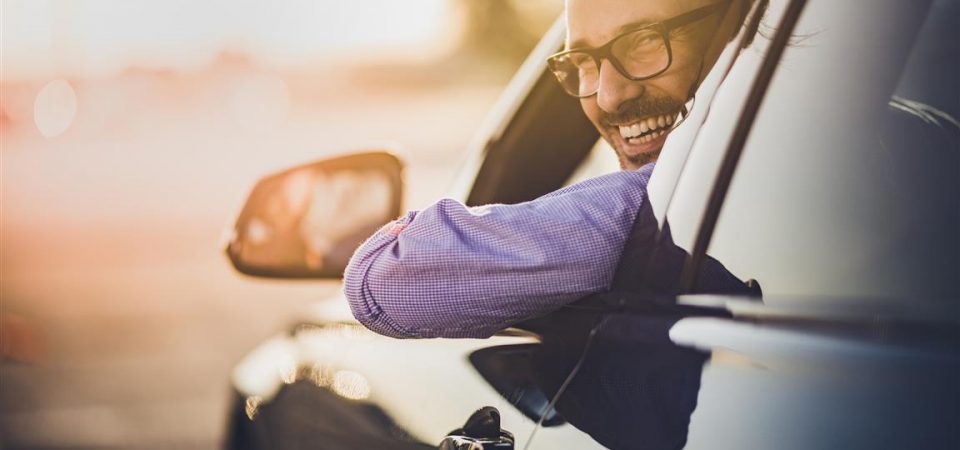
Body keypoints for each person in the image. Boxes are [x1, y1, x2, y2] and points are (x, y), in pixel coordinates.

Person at [344, 0, 758, 339]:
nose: (609, 96)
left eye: (645, 40)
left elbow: (385, 280)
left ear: (740, 32)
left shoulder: (660, 210)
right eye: (585, 61)